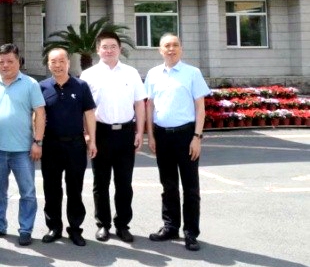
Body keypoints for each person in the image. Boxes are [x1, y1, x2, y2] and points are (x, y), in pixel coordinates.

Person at [145, 33, 210, 252]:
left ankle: (191, 232)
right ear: (160, 50)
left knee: (191, 187)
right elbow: (149, 106)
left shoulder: (192, 73)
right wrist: (151, 136)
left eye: (175, 45)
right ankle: (171, 226)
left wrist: (197, 137)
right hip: (162, 135)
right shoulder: (153, 74)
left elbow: (200, 107)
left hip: (186, 135)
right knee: (168, 185)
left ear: (181, 48)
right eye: (167, 46)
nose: (171, 49)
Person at [80, 31, 146, 243]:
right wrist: (88, 135)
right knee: (101, 183)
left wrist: (140, 132)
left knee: (124, 183)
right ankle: (103, 224)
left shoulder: (131, 73)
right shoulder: (88, 75)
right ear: (98, 50)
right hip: (100, 133)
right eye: (104, 47)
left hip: (126, 133)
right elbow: (84, 110)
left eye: (113, 47)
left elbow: (139, 104)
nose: (109, 50)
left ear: (120, 49)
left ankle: (123, 225)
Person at [0, 43, 46, 247]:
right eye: (1, 62)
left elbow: (40, 113)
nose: (5, 65)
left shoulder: (30, 84)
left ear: (19, 61)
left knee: (27, 192)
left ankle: (25, 229)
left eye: (10, 61)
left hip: (23, 150)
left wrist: (37, 141)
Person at [39, 48, 97, 247]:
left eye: (61, 61)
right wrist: (36, 141)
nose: (58, 65)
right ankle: (54, 227)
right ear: (48, 64)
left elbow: (89, 114)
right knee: (51, 189)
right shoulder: (42, 87)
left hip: (75, 144)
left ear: (68, 63)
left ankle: (75, 229)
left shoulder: (81, 86)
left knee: (75, 189)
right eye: (53, 61)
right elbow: (37, 116)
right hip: (50, 144)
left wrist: (92, 140)